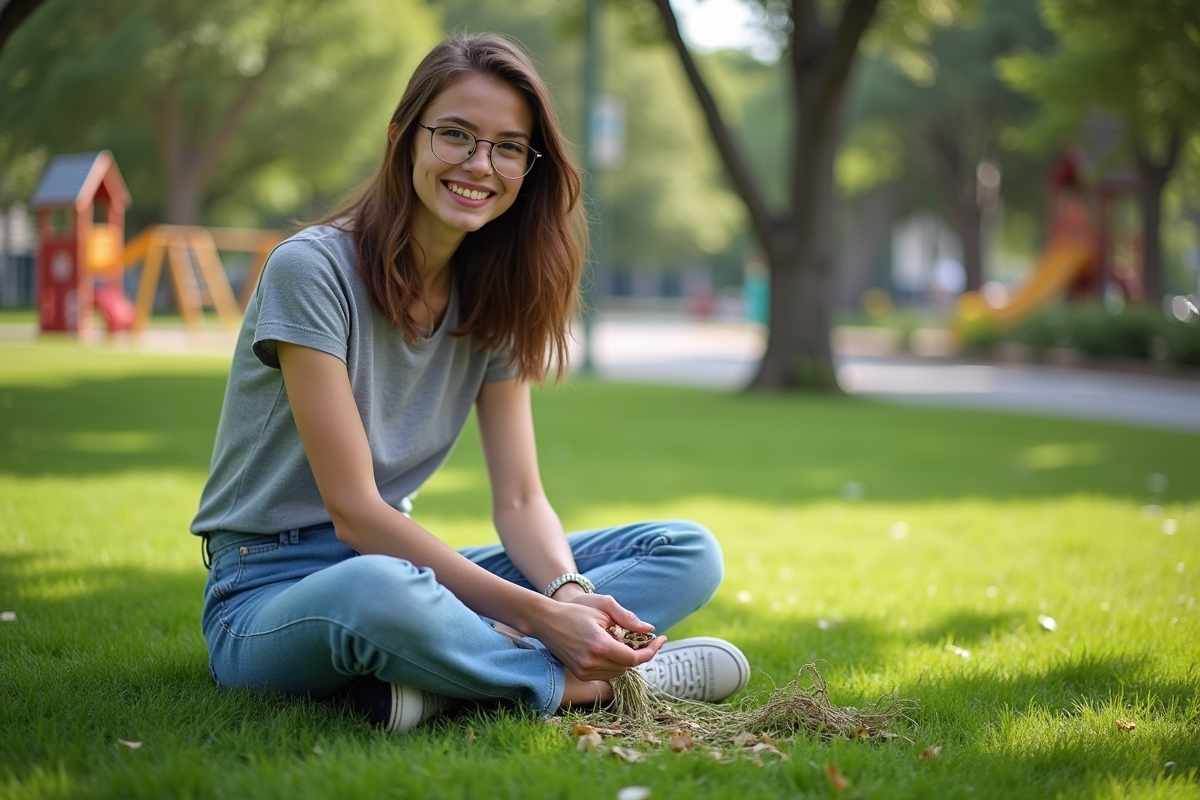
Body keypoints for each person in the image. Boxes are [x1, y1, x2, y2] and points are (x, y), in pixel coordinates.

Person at [191, 33, 749, 733]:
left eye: (508, 147)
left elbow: (519, 498)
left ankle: (447, 677)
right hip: (269, 590)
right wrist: (544, 619)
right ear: (404, 139)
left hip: (404, 569)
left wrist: (568, 592)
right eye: (456, 135)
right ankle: (591, 686)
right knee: (382, 590)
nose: (480, 164)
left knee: (686, 550)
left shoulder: (494, 293)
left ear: (527, 166)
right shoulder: (311, 271)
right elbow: (357, 514)